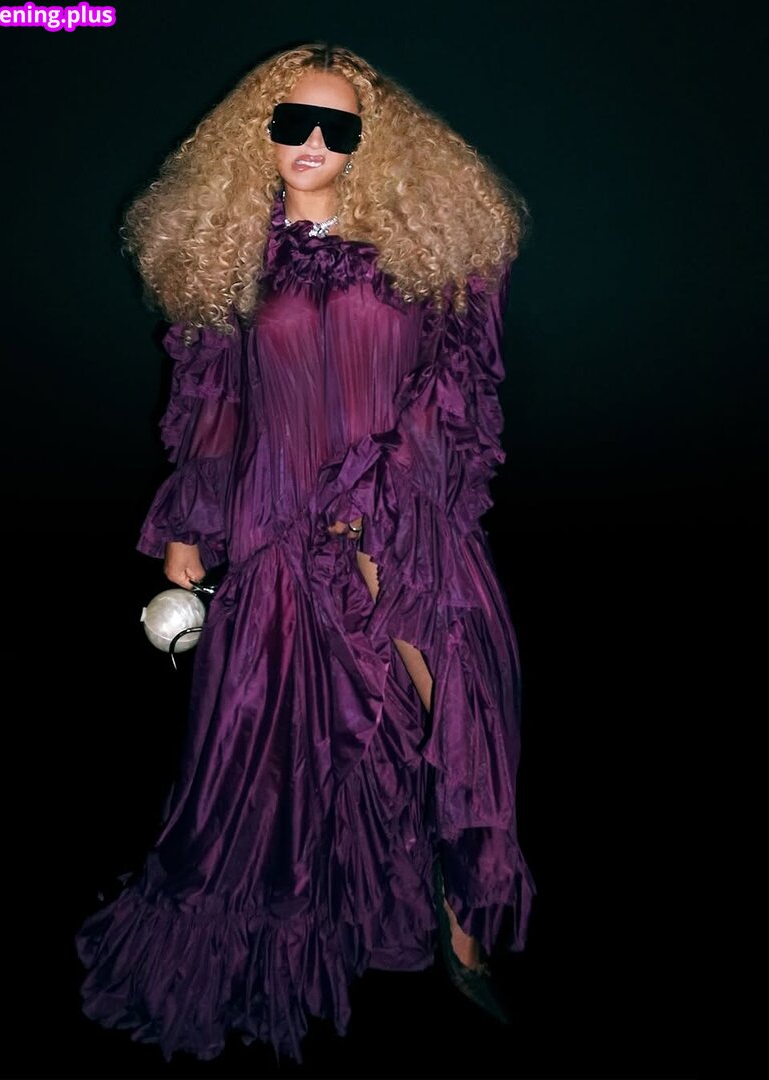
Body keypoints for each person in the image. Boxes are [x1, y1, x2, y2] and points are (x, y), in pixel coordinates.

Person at [76, 41, 536, 1065]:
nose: (314, 142)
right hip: (281, 532)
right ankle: (321, 916)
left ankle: (461, 916)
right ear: (262, 134)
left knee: (458, 707)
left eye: (338, 126)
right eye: (294, 122)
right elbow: (213, 411)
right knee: (286, 749)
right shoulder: (229, 264)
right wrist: (189, 529)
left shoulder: (419, 255)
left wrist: (388, 487)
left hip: (398, 518)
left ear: (369, 143)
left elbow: (457, 388)